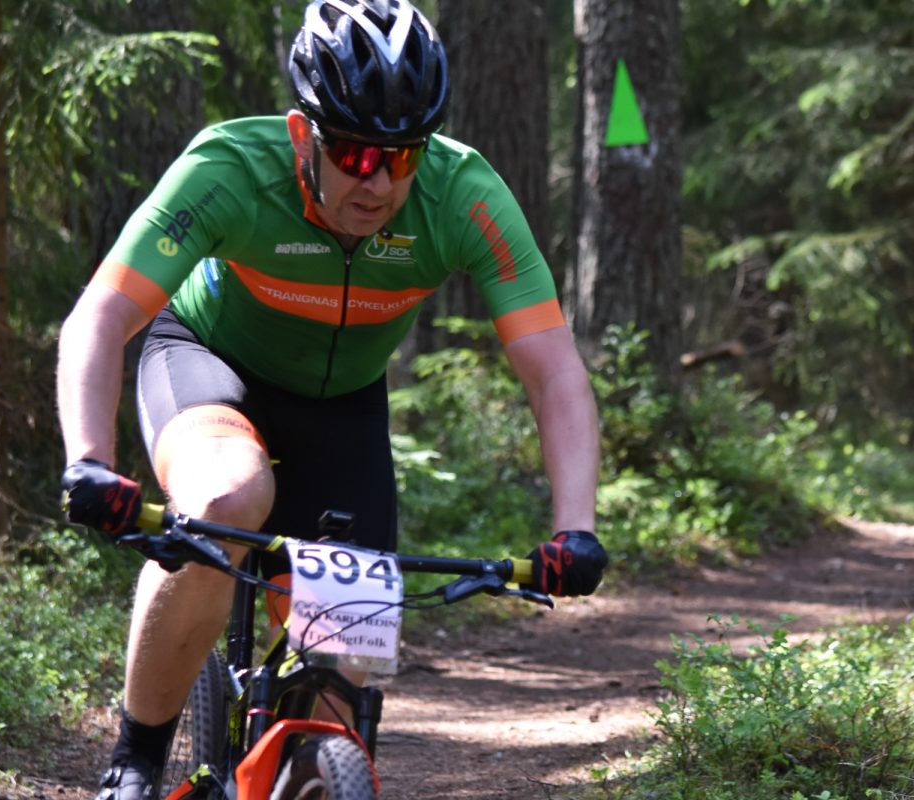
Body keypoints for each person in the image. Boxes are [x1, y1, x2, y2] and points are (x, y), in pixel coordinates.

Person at [56, 1, 608, 798]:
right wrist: (90, 461)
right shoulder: (230, 169)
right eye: (352, 153)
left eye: (401, 156)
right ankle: (134, 764)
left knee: (345, 666)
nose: (377, 181)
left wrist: (575, 529)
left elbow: (554, 370)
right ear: (300, 135)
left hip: (344, 403)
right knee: (226, 498)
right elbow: (102, 316)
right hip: (209, 362)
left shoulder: (463, 195)